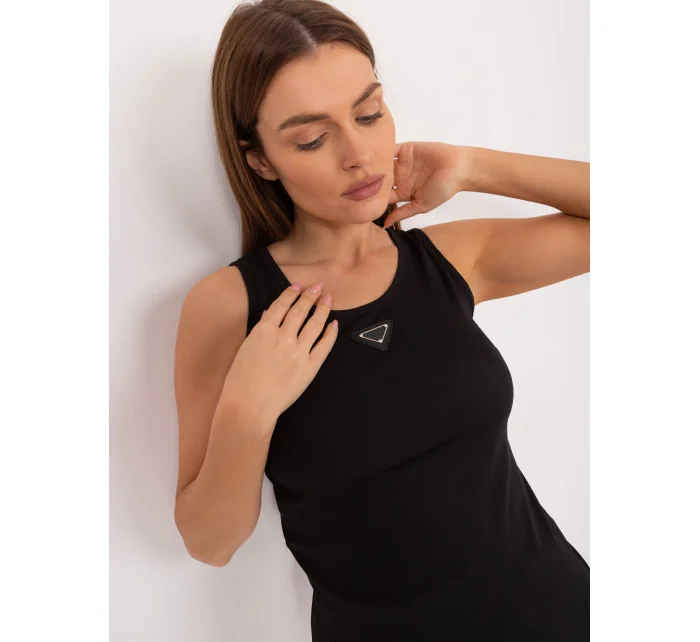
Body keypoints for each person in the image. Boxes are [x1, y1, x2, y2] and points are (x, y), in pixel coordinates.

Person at [173, 1, 590, 640]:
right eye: (312, 139)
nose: (359, 154)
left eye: (369, 114)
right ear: (260, 160)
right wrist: (247, 410)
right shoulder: (231, 305)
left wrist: (472, 166)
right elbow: (210, 543)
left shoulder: (448, 261)